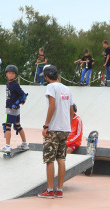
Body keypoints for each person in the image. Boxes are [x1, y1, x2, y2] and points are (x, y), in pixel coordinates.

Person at [38, 65, 74, 199]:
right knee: (61, 159)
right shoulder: (67, 89)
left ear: (47, 76)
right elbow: (71, 110)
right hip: (65, 129)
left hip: (53, 128)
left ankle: (49, 190)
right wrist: (68, 125)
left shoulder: (50, 87)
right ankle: (59, 190)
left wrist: (46, 125)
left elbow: (52, 105)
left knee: (49, 159)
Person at [0, 65, 29, 153]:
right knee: (18, 125)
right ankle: (24, 144)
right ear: (6, 74)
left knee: (7, 126)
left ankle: (7, 146)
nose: (11, 75)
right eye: (9, 73)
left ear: (15, 75)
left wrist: (16, 103)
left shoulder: (15, 84)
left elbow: (22, 95)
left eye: (12, 74)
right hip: (12, 108)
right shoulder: (8, 83)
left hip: (11, 108)